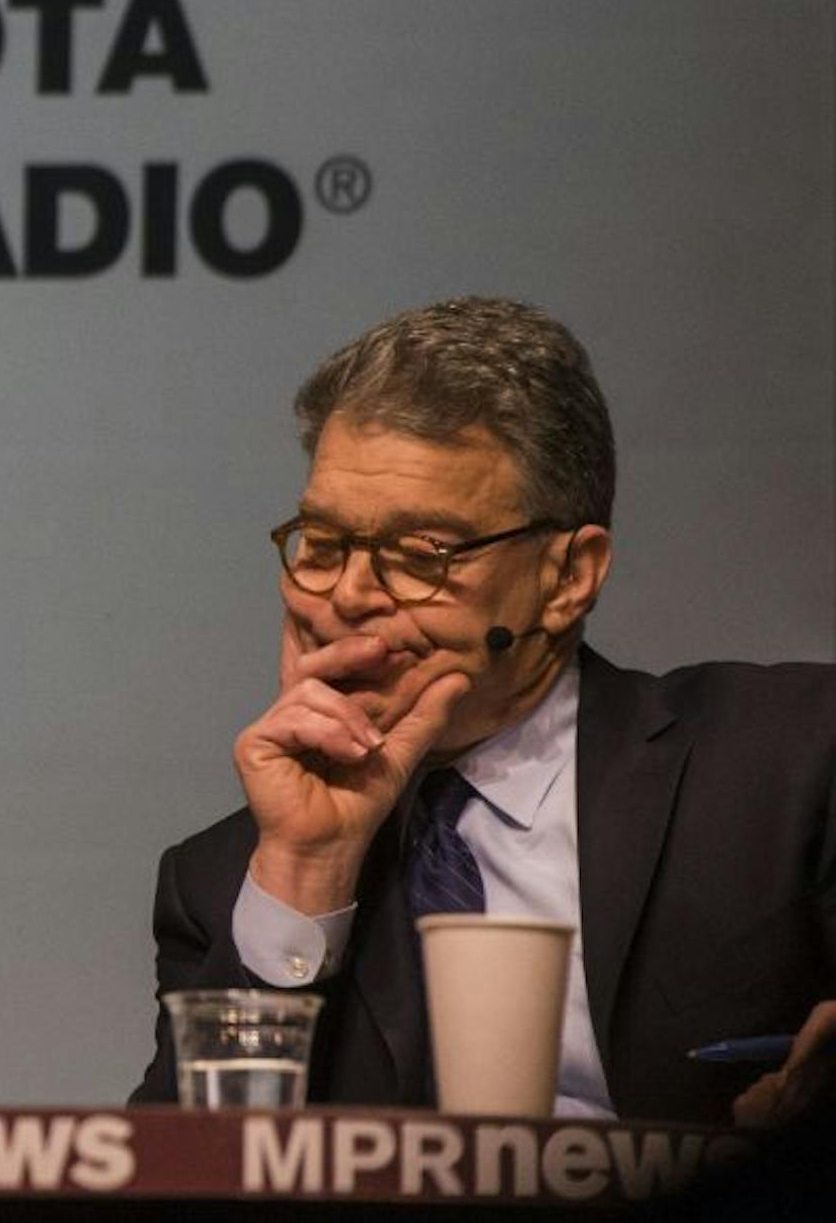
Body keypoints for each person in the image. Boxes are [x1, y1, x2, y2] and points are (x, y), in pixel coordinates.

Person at [131, 296, 834, 1124]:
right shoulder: (229, 881)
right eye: (322, 544)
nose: (350, 597)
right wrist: (307, 870)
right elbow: (176, 1181)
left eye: (421, 554)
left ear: (567, 577)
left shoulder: (790, 762)